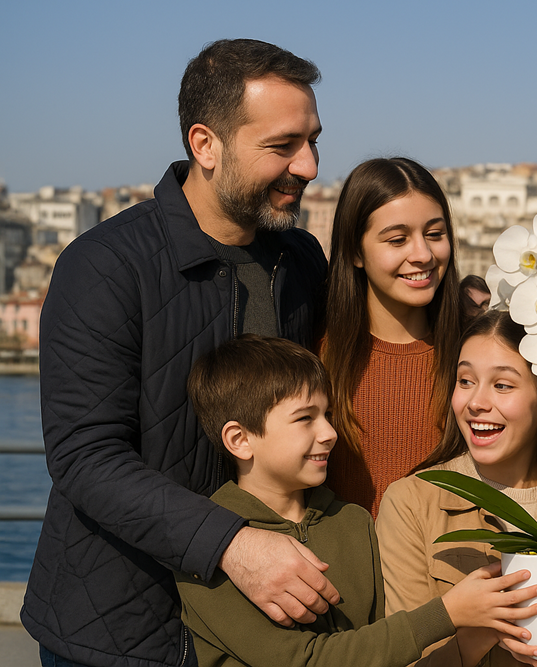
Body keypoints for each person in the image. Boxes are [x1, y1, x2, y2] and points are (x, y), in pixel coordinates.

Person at [22, 39, 336, 667]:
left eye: (313, 140)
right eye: (282, 146)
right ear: (205, 145)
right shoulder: (104, 266)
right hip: (121, 633)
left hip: (257, 630)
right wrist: (236, 546)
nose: (308, 165)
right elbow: (86, 457)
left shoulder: (301, 260)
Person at [176, 334, 537, 666]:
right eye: (305, 419)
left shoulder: (353, 521)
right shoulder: (210, 547)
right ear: (240, 440)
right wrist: (446, 613)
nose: (330, 433)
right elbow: (299, 660)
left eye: (328, 414)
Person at [376, 310, 537, 667]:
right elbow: (404, 658)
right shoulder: (412, 501)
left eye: (502, 385)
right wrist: (484, 633)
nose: (476, 402)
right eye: (465, 380)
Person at [323, 157, 461, 517]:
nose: (423, 255)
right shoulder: (317, 356)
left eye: (435, 234)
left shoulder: (474, 355)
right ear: (355, 251)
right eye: (398, 239)